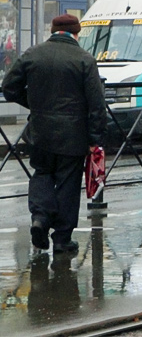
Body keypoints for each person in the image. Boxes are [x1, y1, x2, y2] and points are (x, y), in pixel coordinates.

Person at [1, 14, 108, 256]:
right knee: (69, 185)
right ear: (76, 33)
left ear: (53, 31)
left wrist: (33, 103)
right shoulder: (84, 60)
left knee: (41, 174)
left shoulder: (33, 54)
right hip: (73, 136)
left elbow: (9, 87)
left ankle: (39, 218)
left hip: (40, 133)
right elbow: (96, 105)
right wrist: (96, 139)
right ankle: (62, 239)